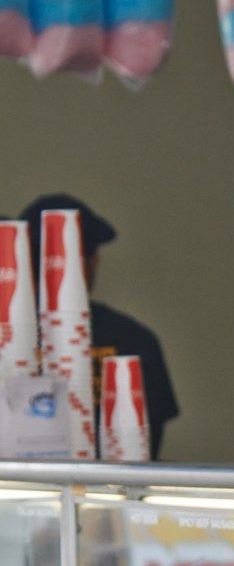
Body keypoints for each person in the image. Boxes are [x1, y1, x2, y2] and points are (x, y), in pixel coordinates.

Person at [20, 194, 179, 455]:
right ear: (90, 261)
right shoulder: (134, 338)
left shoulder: (133, 339)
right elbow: (144, 453)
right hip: (107, 480)